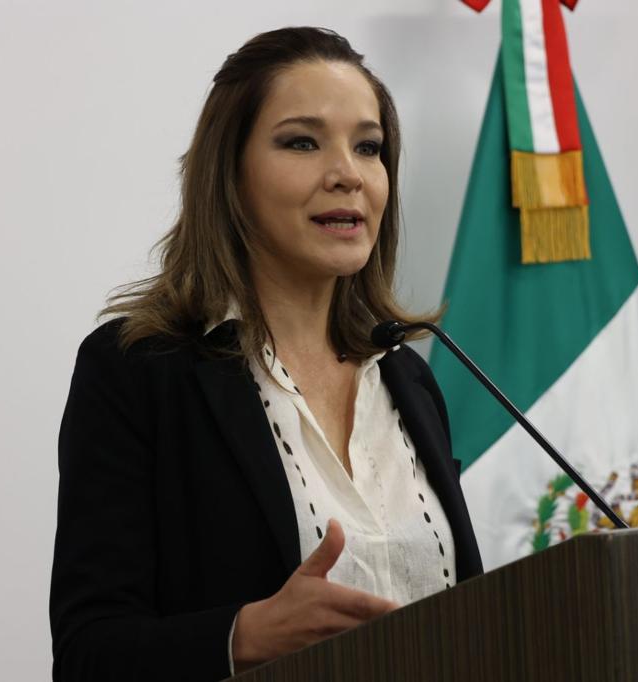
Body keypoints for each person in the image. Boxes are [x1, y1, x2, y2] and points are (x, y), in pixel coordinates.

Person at [49, 27, 483, 681]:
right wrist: (242, 636)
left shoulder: (408, 378)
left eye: (368, 147)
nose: (347, 174)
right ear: (230, 173)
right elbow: (89, 653)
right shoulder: (137, 371)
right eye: (302, 142)